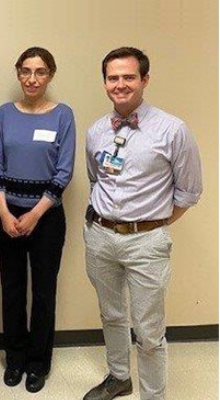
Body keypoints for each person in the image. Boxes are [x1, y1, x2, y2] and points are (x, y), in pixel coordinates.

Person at [83, 47, 202, 400]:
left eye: (128, 77)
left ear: (145, 80)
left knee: (149, 331)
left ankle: (154, 396)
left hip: (146, 242)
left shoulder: (172, 129)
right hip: (100, 236)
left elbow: (190, 191)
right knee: (111, 314)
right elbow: (96, 179)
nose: (120, 85)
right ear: (105, 82)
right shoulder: (96, 131)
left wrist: (152, 225)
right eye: (112, 78)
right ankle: (119, 377)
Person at [0, 47, 76, 393]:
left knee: (43, 292)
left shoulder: (63, 116)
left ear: (51, 75)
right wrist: (4, 212)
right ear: (17, 73)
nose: (32, 78)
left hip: (47, 219)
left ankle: (38, 363)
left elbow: (64, 171)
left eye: (40, 71)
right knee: (11, 290)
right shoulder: (4, 114)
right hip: (6, 216)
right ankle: (15, 358)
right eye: (26, 71)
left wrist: (35, 214)